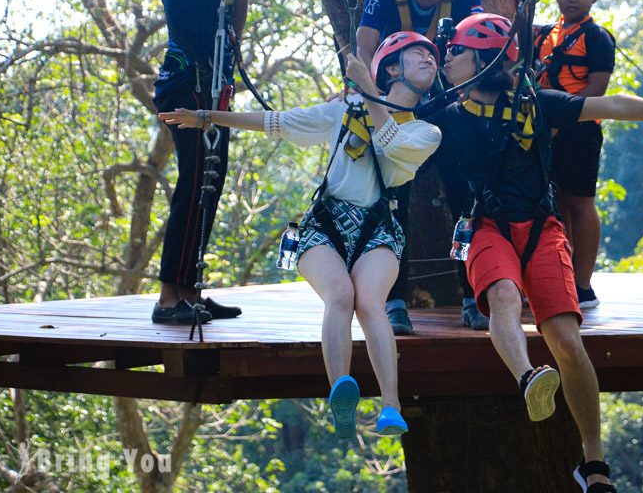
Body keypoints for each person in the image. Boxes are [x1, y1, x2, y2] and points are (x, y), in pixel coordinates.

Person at [437, 13, 643, 491]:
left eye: (456, 50)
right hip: (488, 227)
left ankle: (593, 463)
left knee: (566, 337)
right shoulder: (446, 115)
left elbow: (614, 104)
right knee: (504, 300)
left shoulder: (537, 105)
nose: (447, 58)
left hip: (540, 226)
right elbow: (383, 114)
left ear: (483, 60)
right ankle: (526, 379)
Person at [160, 33, 442, 439]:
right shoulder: (343, 110)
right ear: (392, 68)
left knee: (371, 302)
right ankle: (340, 390)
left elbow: (391, 144)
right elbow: (277, 121)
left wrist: (367, 91)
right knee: (341, 296)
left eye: (433, 57)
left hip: (377, 226)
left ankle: (391, 405)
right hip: (325, 223)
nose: (430, 60)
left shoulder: (425, 133)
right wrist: (207, 116)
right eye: (420, 53)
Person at [356, 0, 487, 335]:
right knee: (394, 205)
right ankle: (395, 300)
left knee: (465, 198)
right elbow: (364, 49)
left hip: (447, 109)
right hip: (398, 110)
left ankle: (472, 294)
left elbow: (481, 47)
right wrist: (376, 103)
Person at [152, 0, 251, 324]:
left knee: (210, 183)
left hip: (212, 87)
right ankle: (168, 298)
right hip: (186, 85)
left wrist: (234, 50)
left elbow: (236, 10)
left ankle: (190, 289)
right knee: (194, 183)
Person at [535, 0, 615, 310]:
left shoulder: (597, 38)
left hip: (580, 131)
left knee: (581, 203)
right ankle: (561, 279)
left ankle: (583, 285)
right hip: (544, 131)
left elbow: (596, 90)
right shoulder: (542, 35)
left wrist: (559, 120)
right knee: (556, 206)